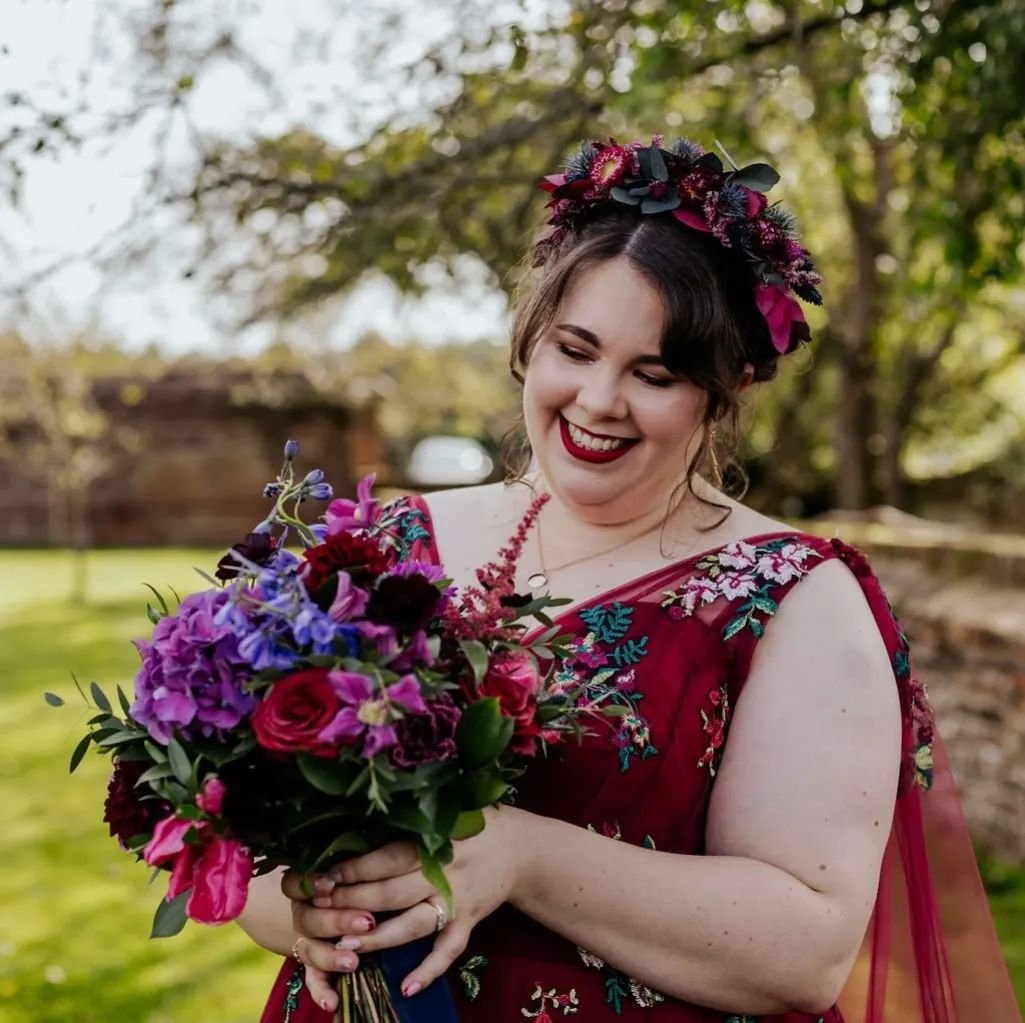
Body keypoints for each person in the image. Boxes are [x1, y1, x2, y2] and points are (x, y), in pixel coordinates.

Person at [240, 135, 1020, 1022]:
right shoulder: (386, 542)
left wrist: (523, 856)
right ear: (529, 342)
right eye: (574, 350)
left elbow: (805, 952)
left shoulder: (795, 598)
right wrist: (304, 911)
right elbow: (258, 862)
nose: (600, 400)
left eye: (653, 374)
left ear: (723, 390)